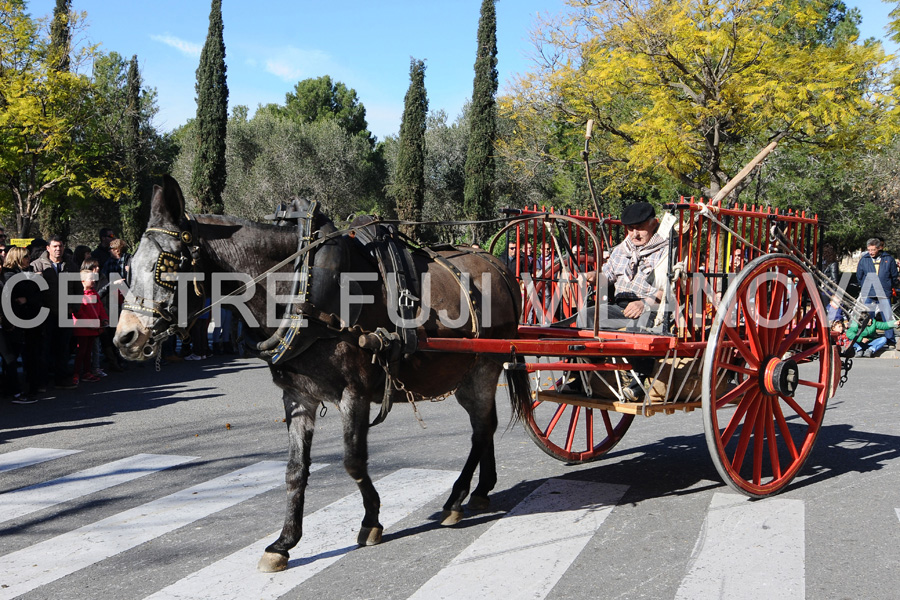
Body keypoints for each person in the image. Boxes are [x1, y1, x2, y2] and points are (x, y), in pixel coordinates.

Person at [571, 201, 668, 400]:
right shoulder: (622, 249)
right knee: (586, 317)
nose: (634, 234)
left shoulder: (666, 251)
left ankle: (638, 381)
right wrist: (592, 276)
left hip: (652, 308)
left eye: (640, 228)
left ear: (653, 223)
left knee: (637, 327)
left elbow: (671, 289)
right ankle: (582, 374)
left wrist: (645, 303)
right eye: (631, 229)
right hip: (620, 307)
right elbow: (608, 276)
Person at [31, 235, 79, 389]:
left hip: (65, 313)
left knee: (63, 348)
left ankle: (62, 379)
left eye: (60, 246)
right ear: (48, 248)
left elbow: (78, 289)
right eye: (55, 246)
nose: (58, 249)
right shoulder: (37, 265)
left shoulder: (71, 265)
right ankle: (42, 381)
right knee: (44, 348)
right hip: (46, 314)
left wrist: (74, 306)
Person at [1, 247, 43, 403]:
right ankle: (12, 389)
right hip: (15, 321)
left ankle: (31, 386)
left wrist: (28, 299)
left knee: (31, 354)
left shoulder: (28, 272)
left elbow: (38, 293)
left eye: (29, 256)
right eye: (25, 256)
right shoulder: (8, 275)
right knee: (12, 357)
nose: (28, 259)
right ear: (17, 257)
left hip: (31, 319)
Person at [855, 237, 898, 347]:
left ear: (879, 248)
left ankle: (890, 340)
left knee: (886, 317)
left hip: (884, 292)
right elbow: (859, 276)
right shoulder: (864, 259)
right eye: (869, 250)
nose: (871, 252)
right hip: (869, 292)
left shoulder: (888, 259)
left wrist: (888, 286)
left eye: (873, 250)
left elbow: (894, 276)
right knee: (867, 317)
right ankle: (867, 339)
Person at [72, 265, 109, 384]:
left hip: (93, 327)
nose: (93, 281)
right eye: (90, 279)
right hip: (83, 328)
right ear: (82, 281)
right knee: (81, 351)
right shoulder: (79, 295)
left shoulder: (94, 294)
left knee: (88, 352)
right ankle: (76, 373)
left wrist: (104, 319)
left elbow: (101, 308)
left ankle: (87, 372)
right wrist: (90, 323)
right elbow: (78, 312)